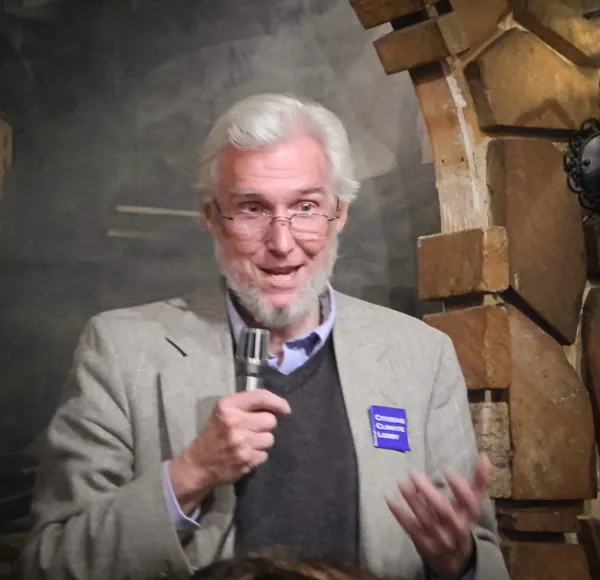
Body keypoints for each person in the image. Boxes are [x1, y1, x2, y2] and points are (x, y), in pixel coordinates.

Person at [21, 94, 509, 580]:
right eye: (252, 208)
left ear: (339, 213)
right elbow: (48, 563)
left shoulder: (420, 356)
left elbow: (484, 563)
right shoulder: (122, 350)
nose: (281, 242)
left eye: (306, 207)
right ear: (211, 217)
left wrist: (458, 561)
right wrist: (189, 475)